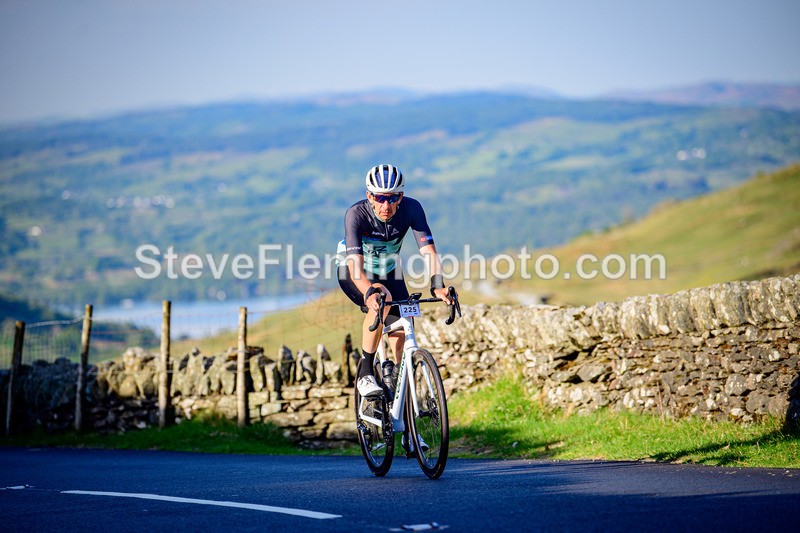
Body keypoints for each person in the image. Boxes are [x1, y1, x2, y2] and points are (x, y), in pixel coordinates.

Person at [337, 164, 453, 398]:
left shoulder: (412, 209)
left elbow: (429, 252)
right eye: (379, 197)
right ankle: (366, 373)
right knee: (382, 298)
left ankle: (400, 386)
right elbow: (356, 270)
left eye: (392, 198)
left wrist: (438, 284)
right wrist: (369, 292)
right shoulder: (356, 215)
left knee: (404, 320)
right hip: (354, 272)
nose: (386, 205)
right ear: (369, 195)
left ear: (401, 196)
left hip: (389, 270)